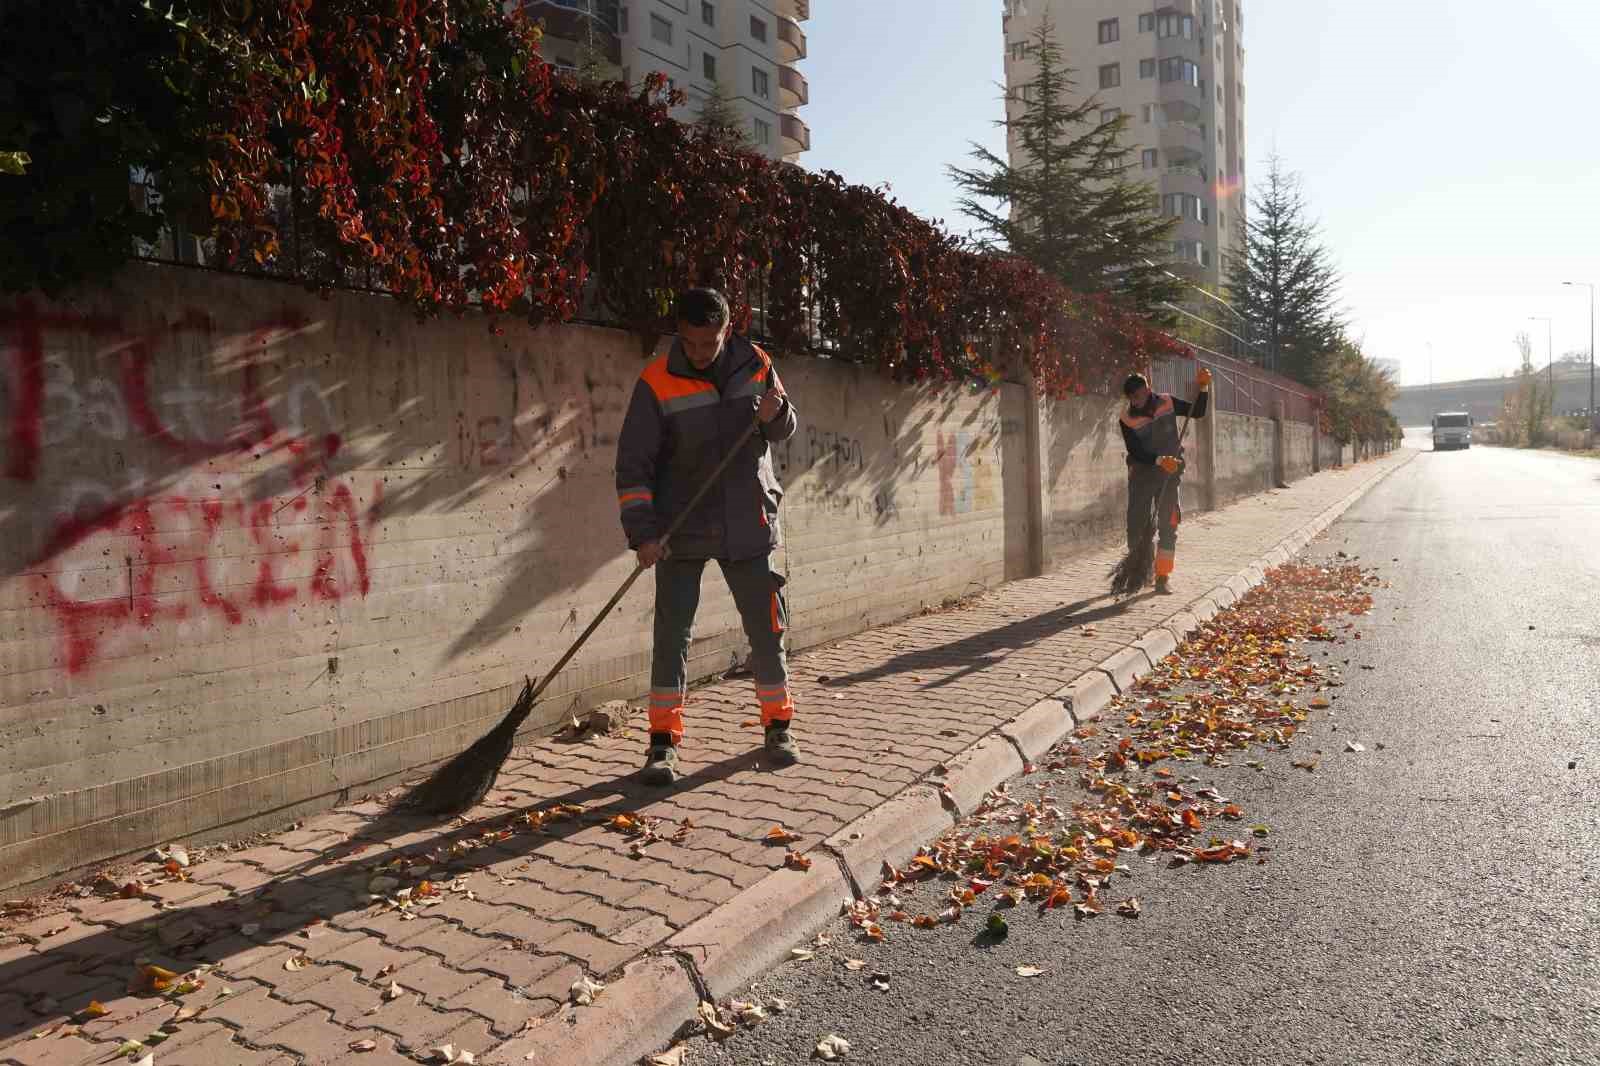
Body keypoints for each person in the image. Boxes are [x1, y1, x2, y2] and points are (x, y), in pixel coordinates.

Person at [615, 288, 801, 785]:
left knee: (767, 629)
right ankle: (661, 745)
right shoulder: (657, 382)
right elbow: (634, 466)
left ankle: (778, 726)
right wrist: (643, 534)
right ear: (680, 332)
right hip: (682, 526)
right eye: (691, 343)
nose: (700, 353)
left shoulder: (757, 364)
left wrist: (774, 416)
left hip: (749, 523)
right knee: (671, 637)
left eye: (710, 342)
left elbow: (787, 425)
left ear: (728, 330)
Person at [1120, 367, 1211, 594]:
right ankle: (1140, 571)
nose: (1136, 401)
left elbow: (1197, 412)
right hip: (1142, 475)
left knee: (1168, 524)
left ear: (1148, 389)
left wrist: (1203, 388)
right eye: (1131, 398)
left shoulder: (1167, 402)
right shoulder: (1127, 419)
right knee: (1137, 526)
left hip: (1170, 476)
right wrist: (1159, 460)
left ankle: (1162, 576)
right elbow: (1135, 451)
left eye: (1139, 396)